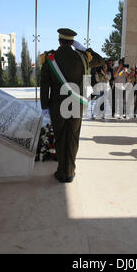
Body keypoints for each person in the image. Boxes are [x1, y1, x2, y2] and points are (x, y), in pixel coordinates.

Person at [40, 28, 104, 183]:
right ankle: (70, 171)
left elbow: (44, 85)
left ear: (59, 40)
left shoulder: (49, 58)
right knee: (73, 137)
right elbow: (100, 60)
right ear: (72, 41)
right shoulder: (82, 57)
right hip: (76, 104)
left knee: (61, 137)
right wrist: (83, 48)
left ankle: (62, 172)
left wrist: (44, 106)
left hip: (57, 105)